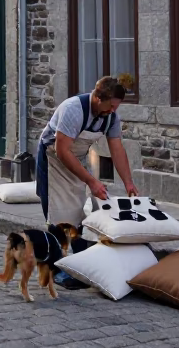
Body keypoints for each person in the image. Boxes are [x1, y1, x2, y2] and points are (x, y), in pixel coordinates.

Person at [35, 76, 138, 288]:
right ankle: (54, 269)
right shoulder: (74, 109)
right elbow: (62, 151)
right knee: (58, 213)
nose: (113, 111)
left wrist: (128, 182)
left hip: (77, 159)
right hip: (53, 158)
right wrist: (91, 181)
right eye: (110, 106)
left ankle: (81, 266)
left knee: (79, 213)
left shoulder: (110, 116)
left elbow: (117, 149)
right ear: (98, 98)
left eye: (116, 107)